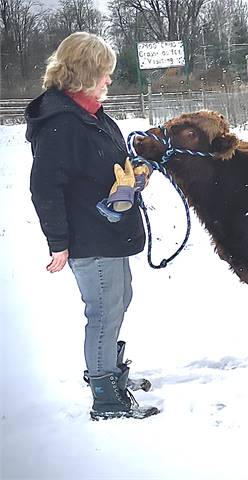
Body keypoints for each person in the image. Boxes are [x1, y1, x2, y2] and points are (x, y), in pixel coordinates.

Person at [25, 32, 159, 420]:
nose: (109, 80)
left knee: (120, 301)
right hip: (89, 237)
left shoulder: (92, 115)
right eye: (105, 73)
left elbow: (103, 164)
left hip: (109, 231)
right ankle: (106, 396)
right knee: (103, 311)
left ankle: (110, 372)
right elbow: (44, 186)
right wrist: (59, 242)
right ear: (85, 73)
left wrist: (131, 177)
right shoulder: (62, 123)